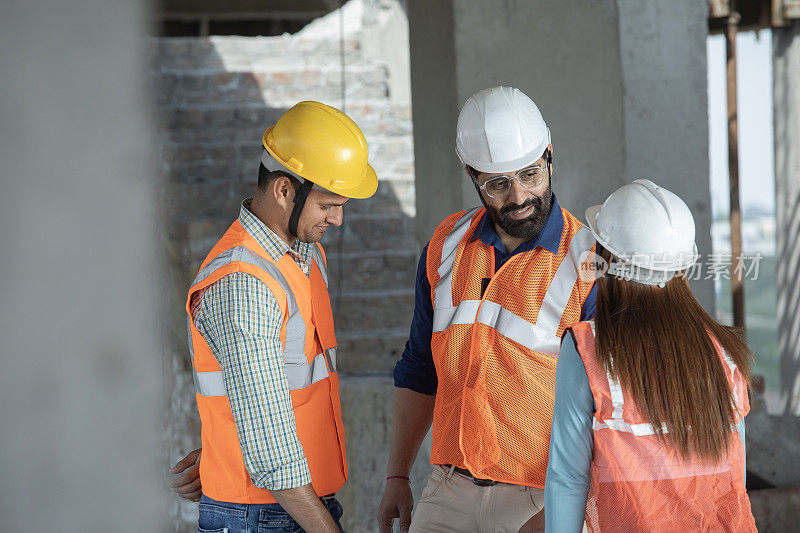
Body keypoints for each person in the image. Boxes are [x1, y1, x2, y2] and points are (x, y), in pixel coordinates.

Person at [376, 86, 597, 533]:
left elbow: (612, 404)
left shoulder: (590, 263)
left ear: (550, 157)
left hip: (541, 496)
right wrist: (398, 475)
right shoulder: (446, 245)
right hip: (448, 489)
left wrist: (574, 506)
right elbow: (420, 367)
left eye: (531, 174)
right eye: (497, 184)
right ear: (472, 175)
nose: (518, 197)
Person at [171, 100, 378, 532]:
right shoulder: (244, 283)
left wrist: (222, 446)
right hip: (261, 515)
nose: (338, 219)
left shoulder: (304, 256)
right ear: (285, 190)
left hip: (295, 503)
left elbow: (271, 392)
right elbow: (270, 453)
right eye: (328, 205)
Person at [544, 179, 757, 532]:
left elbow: (568, 480)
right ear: (683, 268)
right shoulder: (726, 353)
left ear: (608, 260)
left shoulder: (586, 351)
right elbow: (735, 479)